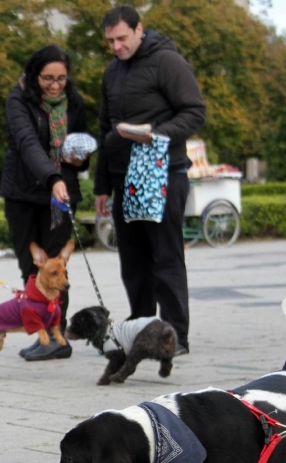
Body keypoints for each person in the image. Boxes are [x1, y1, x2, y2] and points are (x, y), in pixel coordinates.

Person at [93, 6, 206, 356]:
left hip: (163, 171)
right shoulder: (112, 72)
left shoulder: (168, 62)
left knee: (165, 257)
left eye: (122, 38)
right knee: (133, 260)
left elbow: (194, 111)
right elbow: (104, 131)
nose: (116, 46)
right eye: (110, 40)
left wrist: (156, 135)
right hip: (123, 176)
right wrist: (101, 185)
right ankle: (141, 330)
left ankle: (175, 336)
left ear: (140, 30)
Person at [0, 45, 90, 362]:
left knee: (56, 270)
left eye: (61, 79)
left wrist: (79, 160)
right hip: (24, 193)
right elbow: (26, 143)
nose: (54, 85)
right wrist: (52, 177)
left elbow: (79, 148)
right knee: (32, 269)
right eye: (48, 78)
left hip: (60, 194)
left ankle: (58, 337)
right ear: (34, 74)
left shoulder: (74, 102)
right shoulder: (18, 99)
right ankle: (41, 334)